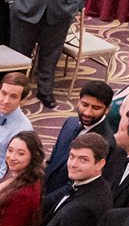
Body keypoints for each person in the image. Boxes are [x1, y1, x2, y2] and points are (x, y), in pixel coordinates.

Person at [43, 81, 117, 217]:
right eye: (85, 105)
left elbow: (80, 184)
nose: (88, 112)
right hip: (48, 193)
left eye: (96, 108)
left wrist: (43, 203)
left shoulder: (106, 143)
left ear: (107, 110)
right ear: (78, 102)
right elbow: (53, 161)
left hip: (65, 205)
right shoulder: (70, 122)